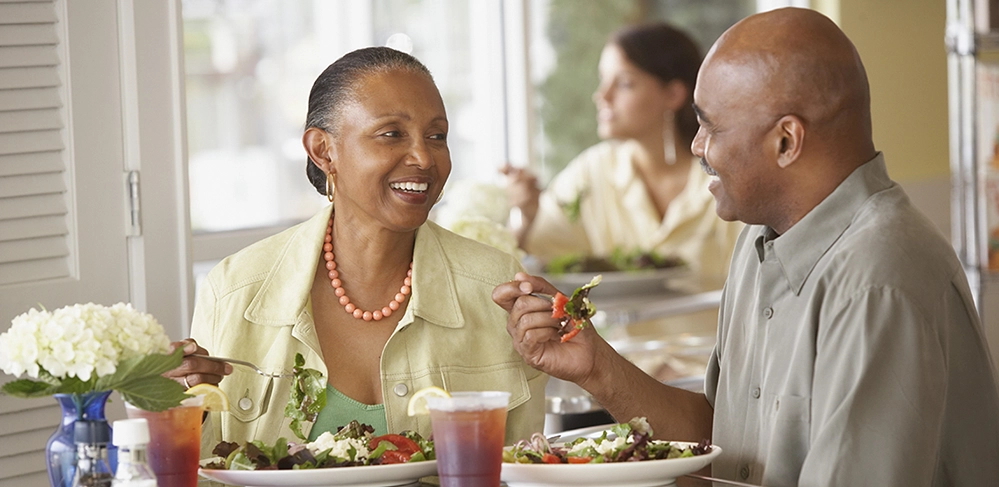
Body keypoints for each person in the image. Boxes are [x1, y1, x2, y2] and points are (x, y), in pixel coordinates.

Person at [493, 7, 999, 486]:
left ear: (785, 142)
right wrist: (595, 364)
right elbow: (726, 442)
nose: (696, 147)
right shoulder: (761, 239)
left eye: (710, 126)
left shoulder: (879, 279)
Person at [164, 47, 547, 456]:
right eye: (392, 134)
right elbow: (203, 466)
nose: (423, 157)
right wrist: (171, 404)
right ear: (323, 150)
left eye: (436, 136)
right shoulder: (235, 289)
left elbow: (528, 464)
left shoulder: (495, 286)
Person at [504, 22, 742, 284]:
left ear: (674, 94)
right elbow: (533, 251)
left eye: (625, 83)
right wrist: (526, 215)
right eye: (603, 80)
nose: (602, 95)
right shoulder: (592, 172)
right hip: (611, 327)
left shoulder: (725, 176)